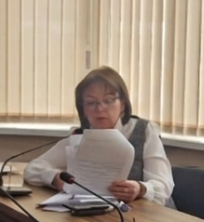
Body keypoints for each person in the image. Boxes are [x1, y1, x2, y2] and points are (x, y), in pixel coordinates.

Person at [23, 66, 174, 205]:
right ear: (83, 109)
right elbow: (33, 169)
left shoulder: (144, 131)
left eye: (108, 101)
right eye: (91, 103)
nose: (100, 109)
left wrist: (141, 189)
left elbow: (164, 186)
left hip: (149, 216)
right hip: (98, 215)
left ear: (122, 104)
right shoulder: (80, 136)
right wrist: (55, 178)